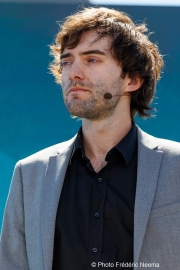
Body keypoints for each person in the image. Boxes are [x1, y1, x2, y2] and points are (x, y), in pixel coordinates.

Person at [0, 6, 180, 270]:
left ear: (132, 79)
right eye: (67, 61)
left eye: (92, 59)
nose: (73, 72)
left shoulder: (176, 167)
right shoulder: (30, 174)